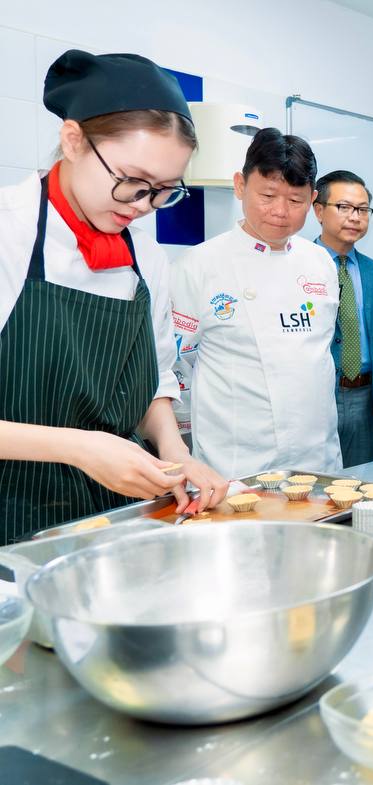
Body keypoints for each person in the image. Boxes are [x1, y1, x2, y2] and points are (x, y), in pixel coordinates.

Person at [0, 50, 226, 544]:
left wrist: (174, 451)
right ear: (73, 140)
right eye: (131, 181)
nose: (144, 206)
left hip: (111, 514)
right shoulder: (8, 233)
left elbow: (152, 378)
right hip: (10, 517)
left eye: (163, 190)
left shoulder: (146, 257)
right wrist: (79, 448)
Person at [172, 128, 342, 478]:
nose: (280, 211)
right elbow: (175, 365)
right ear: (240, 185)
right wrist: (181, 445)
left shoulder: (320, 263)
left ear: (313, 201)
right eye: (267, 195)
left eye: (295, 201)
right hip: (234, 463)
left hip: (317, 458)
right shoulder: (199, 265)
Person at [313, 170, 373, 467]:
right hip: (317, 396)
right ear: (318, 210)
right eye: (344, 207)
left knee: (362, 482)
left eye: (363, 210)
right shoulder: (299, 266)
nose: (355, 217)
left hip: (367, 396)